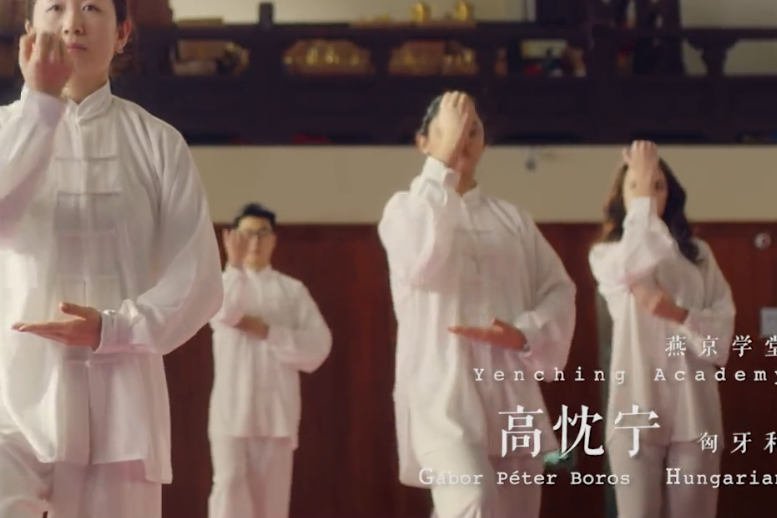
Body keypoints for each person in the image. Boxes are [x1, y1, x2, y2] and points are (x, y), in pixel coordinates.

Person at [0, 0, 225, 518]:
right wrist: (39, 108)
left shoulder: (158, 143)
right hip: (5, 386)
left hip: (117, 394)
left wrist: (115, 328)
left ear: (122, 33)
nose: (72, 22)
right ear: (30, 34)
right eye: (56, 8)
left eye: (91, 8)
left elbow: (198, 280)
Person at [376, 90, 576, 518]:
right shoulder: (404, 210)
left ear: (485, 143)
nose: (462, 140)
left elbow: (559, 290)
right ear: (423, 142)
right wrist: (443, 164)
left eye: (472, 130)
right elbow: (418, 262)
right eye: (450, 129)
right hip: (442, 397)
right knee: (472, 500)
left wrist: (525, 332)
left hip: (511, 393)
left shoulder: (513, 220)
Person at [590, 140, 735, 518]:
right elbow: (636, 259)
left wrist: (679, 314)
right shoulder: (607, 255)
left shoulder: (698, 255)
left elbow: (721, 338)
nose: (649, 194)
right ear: (623, 197)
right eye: (636, 186)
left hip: (694, 409)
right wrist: (642, 197)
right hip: (635, 408)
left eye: (658, 185)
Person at [208, 203, 333, 518]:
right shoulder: (222, 285)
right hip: (232, 411)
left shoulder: (292, 291)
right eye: (247, 234)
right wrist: (234, 266)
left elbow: (319, 345)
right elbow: (227, 313)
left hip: (276, 413)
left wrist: (269, 332)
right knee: (228, 490)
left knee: (272, 504)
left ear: (273, 239)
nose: (255, 242)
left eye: (262, 234)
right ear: (234, 238)